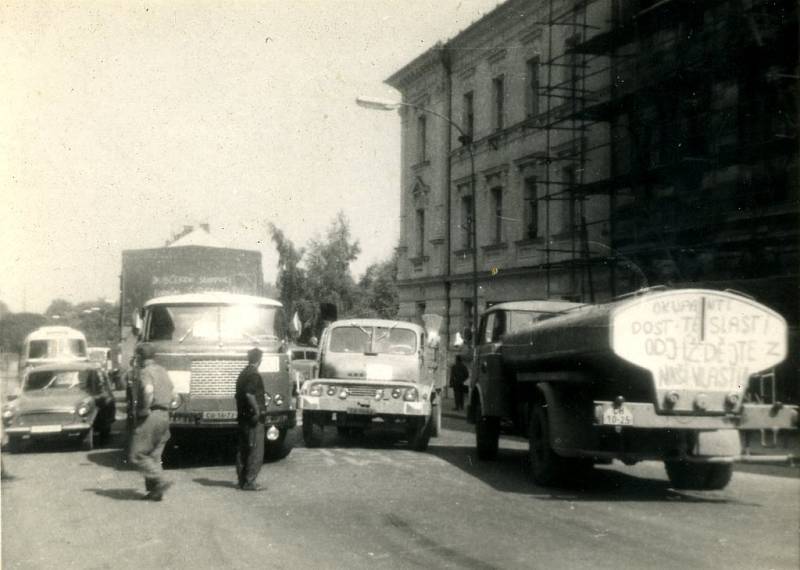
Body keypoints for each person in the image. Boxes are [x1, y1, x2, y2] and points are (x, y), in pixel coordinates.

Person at [129, 343, 174, 501]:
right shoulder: (162, 371)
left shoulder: (145, 372)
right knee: (154, 454)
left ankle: (160, 480)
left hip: (152, 415)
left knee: (138, 454)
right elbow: (172, 392)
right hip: (164, 415)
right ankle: (155, 492)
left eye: (137, 356)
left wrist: (144, 409)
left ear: (141, 357)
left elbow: (148, 391)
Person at [235, 347, 267, 491]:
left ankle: (242, 480)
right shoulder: (254, 374)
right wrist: (257, 410)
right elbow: (249, 394)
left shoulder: (243, 373)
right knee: (255, 450)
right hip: (252, 418)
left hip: (242, 416)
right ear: (260, 359)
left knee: (243, 449)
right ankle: (250, 481)